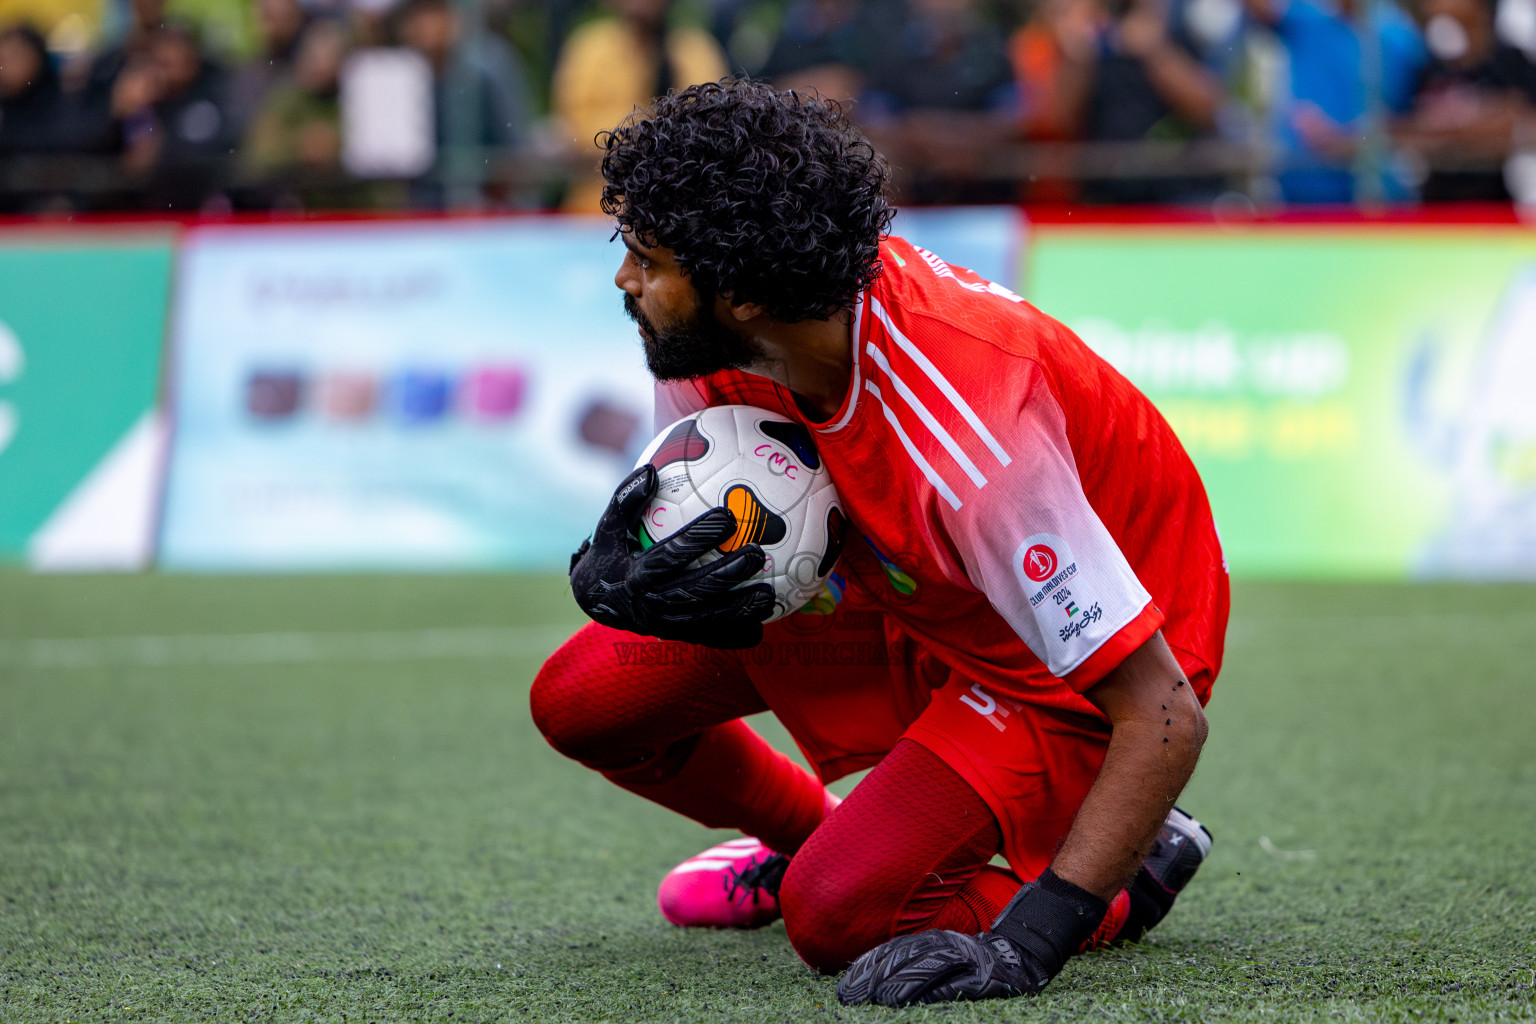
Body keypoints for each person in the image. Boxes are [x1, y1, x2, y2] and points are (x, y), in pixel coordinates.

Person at [530, 79, 1228, 1006]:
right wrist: (621, 573)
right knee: (582, 701)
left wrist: (1034, 940)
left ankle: (1132, 872)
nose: (627, 280)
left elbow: (1165, 714)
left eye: (648, 259)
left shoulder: (972, 433)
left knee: (839, 922)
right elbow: (728, 506)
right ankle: (812, 839)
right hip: (906, 583)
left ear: (739, 293)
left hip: (1058, 666)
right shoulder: (727, 337)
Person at [548, 0, 728, 211]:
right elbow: (571, 134)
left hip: (680, 211)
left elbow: (713, 130)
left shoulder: (696, 52)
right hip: (594, 212)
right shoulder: (590, 49)